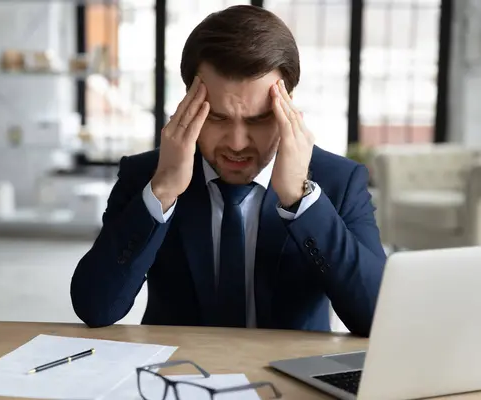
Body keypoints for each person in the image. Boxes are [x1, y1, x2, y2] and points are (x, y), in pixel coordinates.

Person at [70, 5, 386, 337]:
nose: (237, 144)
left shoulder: (338, 181)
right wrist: (162, 191)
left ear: (288, 106)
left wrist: (299, 197)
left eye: (259, 119)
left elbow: (377, 318)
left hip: (290, 378)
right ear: (188, 102)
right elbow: (96, 307)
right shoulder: (145, 175)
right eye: (217, 117)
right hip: (176, 376)